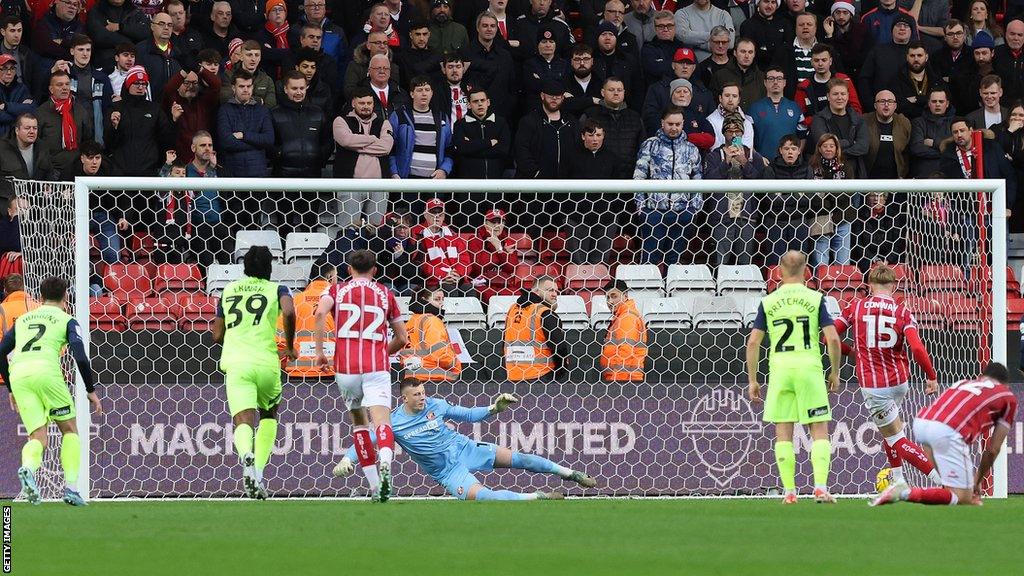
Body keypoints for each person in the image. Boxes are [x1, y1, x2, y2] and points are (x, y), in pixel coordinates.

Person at [334, 378, 596, 500]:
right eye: (416, 395)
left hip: (466, 448)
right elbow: (366, 439)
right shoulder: (393, 421)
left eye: (424, 393)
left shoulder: (436, 404)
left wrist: (494, 408)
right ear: (404, 398)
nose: (423, 398)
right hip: (447, 472)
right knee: (485, 498)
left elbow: (469, 415)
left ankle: (570, 473)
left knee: (521, 458)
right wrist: (347, 459)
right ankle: (538, 497)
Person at [831, 265, 943, 488]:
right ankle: (898, 480)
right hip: (899, 382)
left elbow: (829, 337)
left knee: (896, 438)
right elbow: (918, 349)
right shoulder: (902, 312)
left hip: (874, 384)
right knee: (891, 430)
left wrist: (850, 352)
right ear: (894, 286)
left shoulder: (856, 307)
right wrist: (931, 375)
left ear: (869, 285)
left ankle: (942, 482)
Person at [746, 250, 842, 504]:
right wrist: (835, 371)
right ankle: (820, 487)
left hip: (780, 370)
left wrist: (753, 379)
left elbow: (754, 341)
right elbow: (832, 337)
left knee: (783, 431)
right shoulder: (815, 298)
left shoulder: (768, 302)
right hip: (809, 368)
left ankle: (789, 492)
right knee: (819, 428)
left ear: (778, 271)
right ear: (806, 271)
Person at [314, 249, 410, 502]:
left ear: (348, 269)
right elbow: (402, 338)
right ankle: (387, 463)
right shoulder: (386, 294)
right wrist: (381, 352)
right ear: (375, 270)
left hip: (346, 369)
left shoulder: (336, 290)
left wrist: (321, 352)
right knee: (382, 423)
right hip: (376, 367)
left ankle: (376, 487)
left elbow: (320, 313)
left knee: (359, 425)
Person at [0, 276, 101, 506]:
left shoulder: (24, 319)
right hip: (47, 372)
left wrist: (10, 387)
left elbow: (1, 351)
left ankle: (27, 469)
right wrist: (90, 389)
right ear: (65, 296)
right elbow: (80, 357)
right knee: (69, 430)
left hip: (19, 376)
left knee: (38, 437)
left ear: (41, 296)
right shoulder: (68, 320)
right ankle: (72, 489)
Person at [212, 246, 297, 500]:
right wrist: (290, 346)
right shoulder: (278, 289)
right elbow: (290, 311)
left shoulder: (227, 291)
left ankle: (245, 457)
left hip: (237, 363)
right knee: (269, 415)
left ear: (244, 267)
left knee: (242, 419)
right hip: (266, 363)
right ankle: (258, 473)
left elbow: (216, 335)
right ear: (269, 268)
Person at [872, 362, 1018, 507]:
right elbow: (993, 449)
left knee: (950, 488)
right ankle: (902, 492)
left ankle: (916, 491)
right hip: (947, 431)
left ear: (982, 376)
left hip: (922, 422)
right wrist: (977, 480)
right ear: (1006, 384)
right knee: (964, 498)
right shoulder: (1006, 395)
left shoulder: (964, 383)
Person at [633, 106, 703, 265]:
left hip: (683, 211)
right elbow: (639, 175)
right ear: (662, 123)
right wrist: (642, 208)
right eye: (670, 124)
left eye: (678, 124)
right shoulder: (650, 145)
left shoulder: (691, 149)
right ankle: (648, 290)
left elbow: (697, 178)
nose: (674, 128)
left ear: (683, 123)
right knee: (649, 259)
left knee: (676, 260)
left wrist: (694, 209)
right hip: (653, 211)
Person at [703, 114, 767, 267]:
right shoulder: (714, 155)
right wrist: (726, 163)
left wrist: (744, 162)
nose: (733, 135)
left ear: (743, 132)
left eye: (737, 131)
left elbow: (761, 184)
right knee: (721, 262)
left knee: (744, 262)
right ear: (723, 132)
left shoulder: (752, 155)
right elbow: (708, 183)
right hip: (722, 216)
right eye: (729, 131)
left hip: (746, 216)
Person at [106, 66, 175, 176]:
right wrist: (114, 127)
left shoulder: (155, 109)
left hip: (148, 172)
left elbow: (166, 139)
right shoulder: (116, 108)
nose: (140, 87)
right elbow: (108, 143)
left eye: (144, 84)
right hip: (120, 173)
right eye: (136, 83)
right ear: (128, 84)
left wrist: (174, 120)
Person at [504, 274, 568, 383]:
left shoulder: (512, 310)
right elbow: (559, 347)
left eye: (556, 291)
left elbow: (504, 342)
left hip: (513, 376)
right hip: (542, 375)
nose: (555, 295)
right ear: (536, 292)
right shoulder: (545, 313)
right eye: (550, 290)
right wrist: (561, 372)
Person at [277, 261, 336, 379]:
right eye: (336, 276)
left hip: (297, 375)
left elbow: (279, 342)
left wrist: (287, 363)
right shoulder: (338, 302)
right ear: (329, 277)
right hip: (332, 373)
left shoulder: (295, 301)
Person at [36, 71, 93, 179]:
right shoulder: (41, 112)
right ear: (51, 89)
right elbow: (35, 144)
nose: (65, 88)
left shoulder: (80, 111)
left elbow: (87, 139)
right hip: (50, 171)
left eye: (67, 84)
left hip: (76, 170)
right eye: (59, 85)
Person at [410, 198, 473, 295]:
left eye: (440, 214)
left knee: (468, 289)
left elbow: (464, 258)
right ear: (425, 215)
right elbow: (421, 263)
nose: (437, 216)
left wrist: (458, 274)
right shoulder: (417, 234)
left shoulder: (452, 234)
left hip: (456, 278)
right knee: (449, 289)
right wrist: (444, 275)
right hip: (433, 280)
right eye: (433, 213)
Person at [399, 288, 461, 382]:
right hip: (436, 377)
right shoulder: (432, 320)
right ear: (424, 300)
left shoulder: (410, 322)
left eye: (442, 299)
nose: (441, 303)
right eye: (437, 299)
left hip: (413, 377)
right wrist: (455, 364)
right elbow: (438, 352)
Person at [451, 87, 511, 180]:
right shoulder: (460, 124)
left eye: (482, 100)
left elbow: (503, 150)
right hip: (469, 184)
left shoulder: (501, 122)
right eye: (475, 101)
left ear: (488, 102)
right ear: (469, 105)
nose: (480, 104)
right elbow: (462, 149)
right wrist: (489, 143)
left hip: (496, 182)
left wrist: (472, 146)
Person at [749, 65, 803, 160]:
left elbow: (802, 136)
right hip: (764, 164)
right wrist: (758, 158)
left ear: (784, 82)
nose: (775, 82)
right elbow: (747, 139)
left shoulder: (795, 107)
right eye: (771, 79)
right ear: (765, 82)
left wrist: (796, 156)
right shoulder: (754, 109)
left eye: (779, 79)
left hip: (790, 165)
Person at [467, 207, 521, 302]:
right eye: (493, 222)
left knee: (518, 299)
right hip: (482, 284)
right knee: (492, 299)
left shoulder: (509, 241)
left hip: (505, 284)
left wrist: (499, 248)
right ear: (486, 223)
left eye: (500, 222)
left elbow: (511, 267)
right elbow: (479, 267)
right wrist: (501, 251)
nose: (497, 225)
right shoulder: (475, 239)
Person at [600, 279, 647, 382]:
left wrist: (616, 382)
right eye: (607, 297)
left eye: (614, 296)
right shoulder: (622, 316)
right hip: (624, 379)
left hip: (623, 381)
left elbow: (625, 353)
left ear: (625, 295)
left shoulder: (627, 318)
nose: (610, 301)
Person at [910, 87, 956, 178]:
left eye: (941, 101)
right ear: (928, 103)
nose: (937, 104)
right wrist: (945, 150)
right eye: (934, 101)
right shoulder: (918, 122)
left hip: (950, 174)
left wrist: (934, 143)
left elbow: (958, 148)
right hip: (924, 174)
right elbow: (917, 148)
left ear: (947, 104)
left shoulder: (956, 122)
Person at [0, 113, 55, 181]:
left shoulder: (42, 148)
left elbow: (49, 174)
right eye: (27, 128)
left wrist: (48, 186)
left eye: (35, 128)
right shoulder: (2, 148)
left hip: (36, 191)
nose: (32, 131)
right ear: (17, 130)